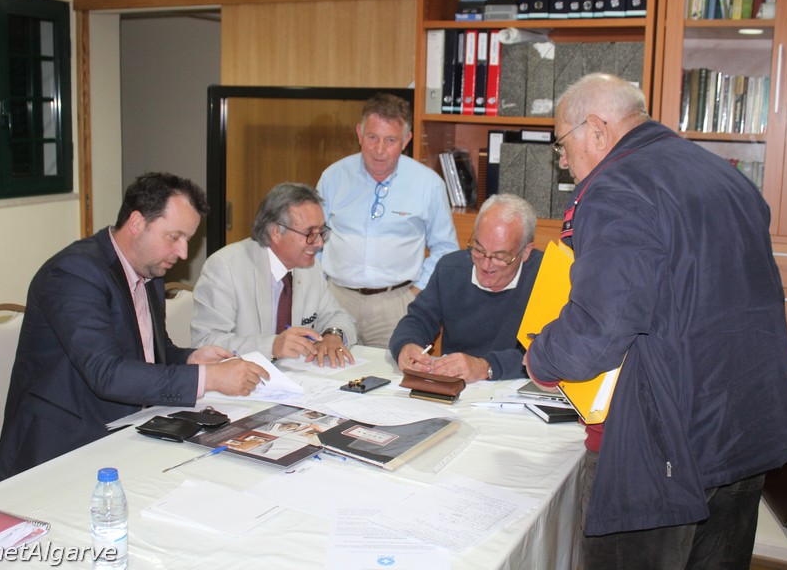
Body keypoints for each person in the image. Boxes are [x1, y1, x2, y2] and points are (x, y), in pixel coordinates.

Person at [525, 73, 787, 569]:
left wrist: (543, 357)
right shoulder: (723, 174)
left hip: (664, 443)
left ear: (597, 129)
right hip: (742, 425)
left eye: (561, 144)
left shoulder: (616, 187)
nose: (563, 161)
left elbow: (600, 326)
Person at [0, 173, 268, 481]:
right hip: (61, 449)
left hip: (127, 431)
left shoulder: (149, 273)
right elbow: (106, 373)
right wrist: (209, 378)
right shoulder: (74, 273)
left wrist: (191, 358)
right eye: (174, 237)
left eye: (187, 240)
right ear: (137, 223)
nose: (183, 253)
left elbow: (150, 353)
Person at [317, 93, 458, 348]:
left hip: (396, 304)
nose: (379, 150)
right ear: (359, 133)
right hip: (336, 300)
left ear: (406, 140)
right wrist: (318, 287)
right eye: (372, 137)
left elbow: (446, 248)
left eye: (390, 140)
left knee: (391, 372)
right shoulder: (333, 178)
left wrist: (416, 292)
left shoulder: (428, 184)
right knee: (328, 368)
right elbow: (313, 240)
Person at [191, 183, 356, 365]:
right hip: (241, 376)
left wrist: (333, 335)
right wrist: (271, 346)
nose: (319, 243)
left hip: (297, 376)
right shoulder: (225, 267)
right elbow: (205, 342)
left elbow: (337, 316)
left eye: (321, 231)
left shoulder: (310, 267)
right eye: (310, 233)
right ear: (276, 232)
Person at [389, 194, 542, 383]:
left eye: (499, 256)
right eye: (478, 249)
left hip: (515, 389)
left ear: (525, 252)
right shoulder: (451, 268)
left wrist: (485, 367)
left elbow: (549, 352)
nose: (485, 264)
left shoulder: (546, 276)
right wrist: (406, 345)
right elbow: (418, 320)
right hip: (456, 388)